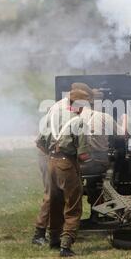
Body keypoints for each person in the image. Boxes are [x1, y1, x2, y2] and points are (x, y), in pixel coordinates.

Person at [31, 83, 94, 246]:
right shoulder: (78, 121)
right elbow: (83, 154)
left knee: (54, 199)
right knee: (72, 204)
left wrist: (54, 156)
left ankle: (52, 238)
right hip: (65, 163)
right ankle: (64, 242)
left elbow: (40, 142)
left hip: (49, 158)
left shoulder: (54, 111)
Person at [80, 89, 125, 220]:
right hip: (98, 162)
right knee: (114, 168)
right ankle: (100, 213)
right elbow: (122, 135)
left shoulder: (75, 116)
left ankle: (91, 215)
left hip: (79, 162)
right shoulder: (104, 117)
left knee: (92, 182)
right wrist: (124, 120)